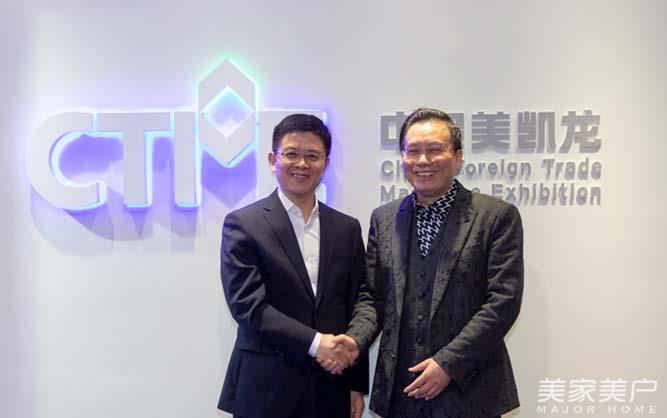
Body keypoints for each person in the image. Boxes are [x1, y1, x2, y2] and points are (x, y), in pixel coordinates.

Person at [328, 108, 523, 418]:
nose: (423, 160)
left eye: (434, 150)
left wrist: (449, 364)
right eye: (413, 151)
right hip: (401, 393)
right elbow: (374, 298)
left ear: (458, 158)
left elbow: (503, 302)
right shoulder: (384, 219)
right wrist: (355, 340)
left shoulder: (495, 216)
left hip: (471, 393)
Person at [218, 114, 368, 418]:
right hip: (266, 387)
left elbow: (357, 303)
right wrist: (316, 343)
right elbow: (248, 307)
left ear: (326, 164)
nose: (302, 164)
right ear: (273, 160)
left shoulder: (347, 229)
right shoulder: (243, 224)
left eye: (312, 156)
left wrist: (355, 383)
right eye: (291, 154)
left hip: (331, 386)